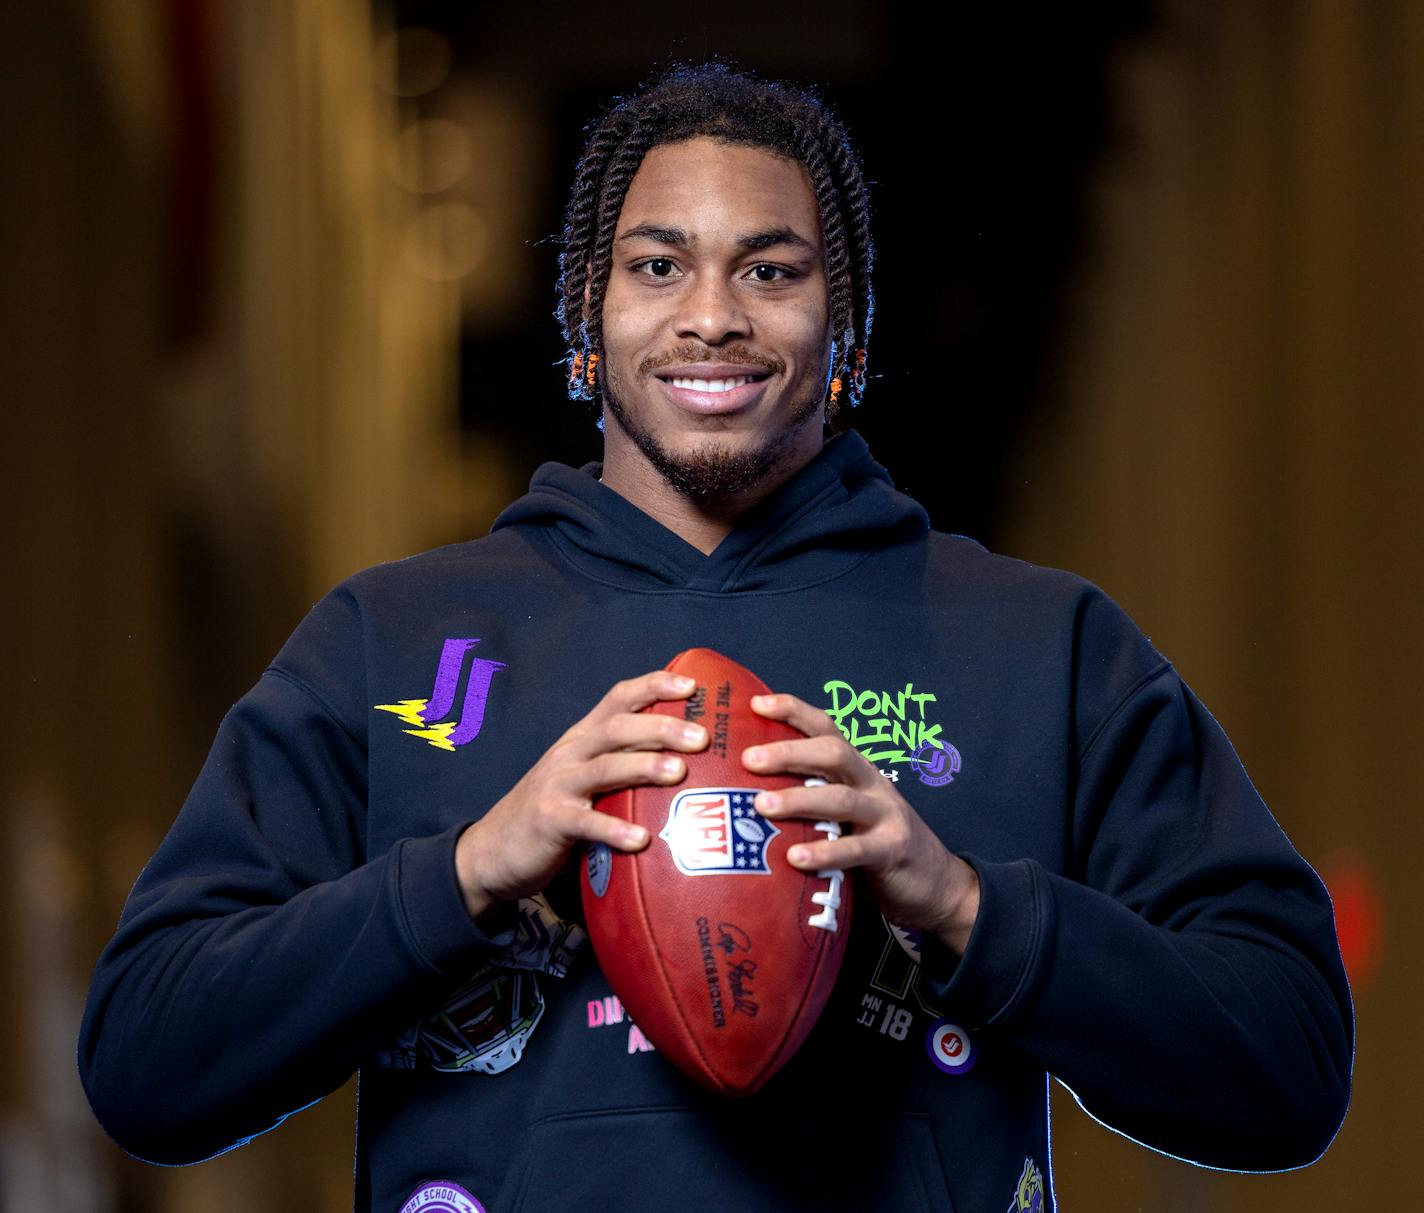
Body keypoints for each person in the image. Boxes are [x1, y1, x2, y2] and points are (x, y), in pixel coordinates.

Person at [79, 61, 1352, 1213]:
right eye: (656, 264)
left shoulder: (1040, 647)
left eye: (770, 268)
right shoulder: (393, 641)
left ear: (840, 323)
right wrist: (463, 871)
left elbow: (1286, 1067)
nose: (710, 316)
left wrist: (961, 905)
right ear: (587, 311)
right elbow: (148, 1064)